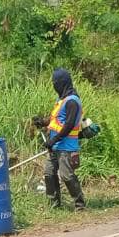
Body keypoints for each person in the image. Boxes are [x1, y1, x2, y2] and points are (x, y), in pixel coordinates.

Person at [36, 68, 86, 211]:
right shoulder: (61, 100)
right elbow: (56, 120)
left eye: (55, 83)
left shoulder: (72, 102)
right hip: (55, 146)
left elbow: (69, 124)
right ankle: (54, 204)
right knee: (49, 173)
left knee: (67, 176)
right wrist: (42, 122)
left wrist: (54, 140)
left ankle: (80, 205)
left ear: (62, 83)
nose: (54, 86)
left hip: (66, 147)